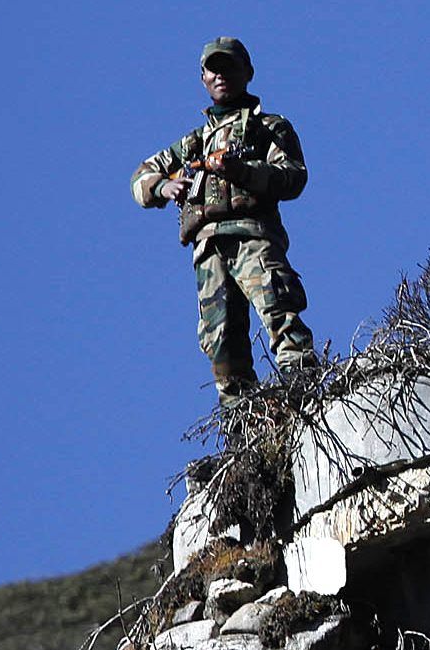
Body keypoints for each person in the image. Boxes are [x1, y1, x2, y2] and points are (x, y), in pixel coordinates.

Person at [131, 37, 315, 396]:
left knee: (278, 310)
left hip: (253, 238)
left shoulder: (268, 127)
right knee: (221, 340)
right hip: (207, 250)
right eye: (213, 69)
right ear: (202, 78)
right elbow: (140, 178)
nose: (221, 75)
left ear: (247, 72)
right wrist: (163, 188)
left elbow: (293, 177)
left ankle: (303, 389)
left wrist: (242, 171)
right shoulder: (193, 143)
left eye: (229, 67)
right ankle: (242, 423)